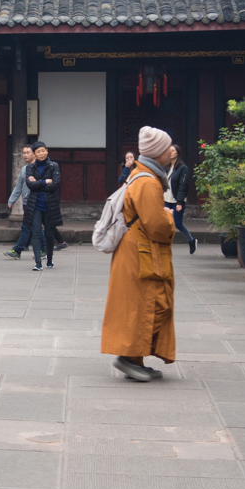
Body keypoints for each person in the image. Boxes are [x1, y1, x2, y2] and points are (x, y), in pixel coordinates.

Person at [102, 126, 177, 381]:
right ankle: (129, 358)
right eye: (167, 147)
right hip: (139, 252)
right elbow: (156, 226)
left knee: (142, 304)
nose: (171, 150)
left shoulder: (142, 175)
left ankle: (134, 359)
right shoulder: (147, 181)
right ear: (158, 153)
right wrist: (169, 217)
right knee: (148, 304)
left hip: (136, 249)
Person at [25, 141, 61, 271]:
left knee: (49, 234)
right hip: (35, 204)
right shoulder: (30, 167)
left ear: (47, 151)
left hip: (50, 204)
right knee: (36, 233)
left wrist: (38, 184)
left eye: (43, 151)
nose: (41, 153)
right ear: (34, 154)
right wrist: (45, 181)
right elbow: (30, 185)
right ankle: (38, 263)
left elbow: (55, 184)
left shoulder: (53, 166)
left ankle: (49, 259)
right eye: (38, 151)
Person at [3, 145, 36, 259]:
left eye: (28, 152)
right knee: (33, 227)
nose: (25, 155)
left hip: (36, 201)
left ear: (34, 153)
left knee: (27, 226)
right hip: (26, 201)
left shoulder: (39, 168)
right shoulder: (24, 169)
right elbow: (19, 186)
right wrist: (12, 199)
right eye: (23, 153)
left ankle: (18, 249)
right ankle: (44, 250)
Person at [165, 143, 197, 254]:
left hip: (176, 200)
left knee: (177, 223)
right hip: (166, 199)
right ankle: (165, 244)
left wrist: (179, 202)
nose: (170, 153)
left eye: (173, 151)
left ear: (177, 153)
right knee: (165, 223)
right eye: (169, 151)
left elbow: (183, 186)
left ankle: (191, 240)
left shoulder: (183, 168)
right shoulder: (166, 167)